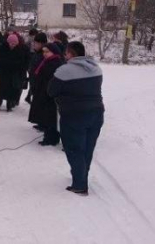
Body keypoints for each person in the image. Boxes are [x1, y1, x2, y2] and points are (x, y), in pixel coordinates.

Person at [48, 42, 104, 196]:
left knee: (74, 148)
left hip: (74, 115)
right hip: (97, 113)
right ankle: (81, 176)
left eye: (66, 54)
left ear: (70, 54)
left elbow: (51, 90)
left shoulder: (64, 71)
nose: (65, 56)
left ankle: (79, 184)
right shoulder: (96, 68)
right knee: (87, 148)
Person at [29, 42, 64, 145]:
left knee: (50, 117)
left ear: (53, 52)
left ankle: (51, 139)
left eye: (47, 51)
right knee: (46, 116)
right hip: (43, 92)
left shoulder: (55, 62)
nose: (44, 53)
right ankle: (49, 136)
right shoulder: (47, 61)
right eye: (43, 51)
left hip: (49, 94)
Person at [0, 34, 29, 111]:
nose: (12, 45)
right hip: (3, 73)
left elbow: (22, 62)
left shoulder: (19, 50)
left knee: (11, 90)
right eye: (11, 43)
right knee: (1, 89)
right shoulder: (2, 48)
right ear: (8, 42)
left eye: (14, 44)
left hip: (13, 74)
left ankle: (9, 104)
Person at [24, 32, 47, 104]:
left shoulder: (44, 55)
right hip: (35, 86)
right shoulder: (37, 53)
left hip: (40, 88)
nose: (33, 44)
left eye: (35, 43)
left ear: (41, 44)